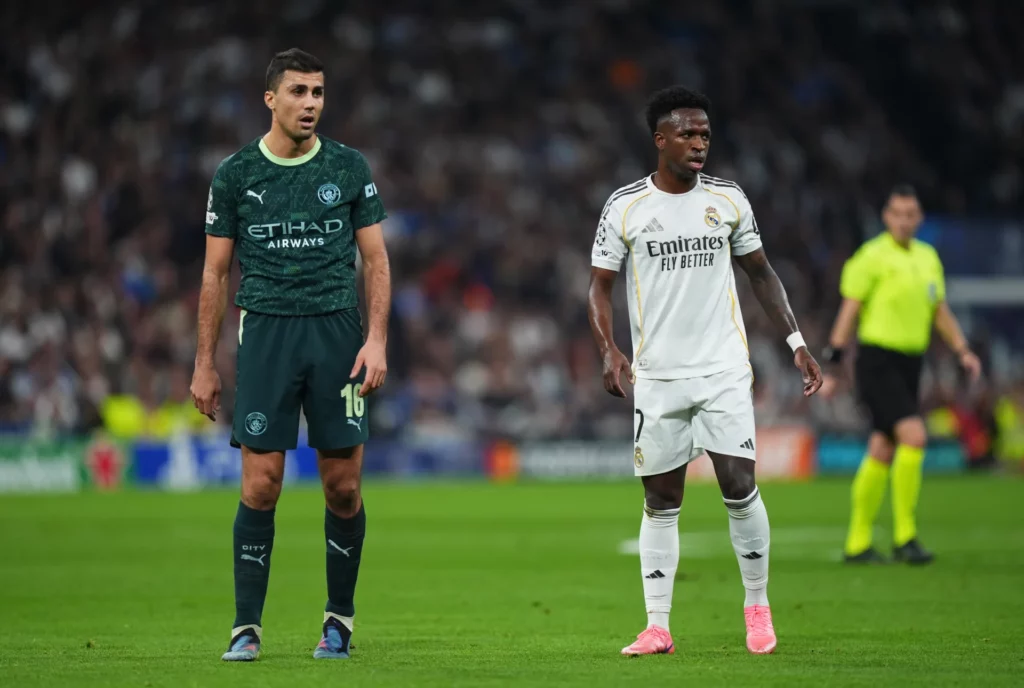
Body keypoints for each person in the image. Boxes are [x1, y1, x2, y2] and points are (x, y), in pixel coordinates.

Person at [587, 86, 823, 657]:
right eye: (688, 134)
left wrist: (796, 341)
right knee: (661, 499)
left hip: (722, 370)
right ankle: (658, 626)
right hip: (659, 378)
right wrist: (608, 348)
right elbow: (599, 286)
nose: (699, 144)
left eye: (706, 135)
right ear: (660, 139)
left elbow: (762, 274)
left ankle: (758, 607)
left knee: (739, 486)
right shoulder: (625, 207)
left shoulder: (729, 200)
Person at [189, 48, 391, 661]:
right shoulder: (235, 174)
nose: (311, 104)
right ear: (270, 98)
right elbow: (215, 274)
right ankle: (245, 628)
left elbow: (376, 260)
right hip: (268, 333)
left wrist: (376, 337)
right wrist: (203, 360)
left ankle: (339, 621)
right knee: (261, 484)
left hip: (336, 332)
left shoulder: (350, 167)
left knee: (344, 487)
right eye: (299, 92)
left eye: (319, 93)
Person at [822, 185, 981, 565]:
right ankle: (905, 536)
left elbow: (938, 309)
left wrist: (962, 349)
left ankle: (857, 543)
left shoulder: (928, 258)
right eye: (898, 213)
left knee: (883, 446)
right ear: (886, 217)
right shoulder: (871, 257)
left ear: (919, 218)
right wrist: (832, 363)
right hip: (877, 361)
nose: (905, 221)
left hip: (912, 362)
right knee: (914, 434)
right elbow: (849, 310)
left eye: (911, 214)